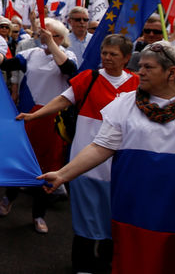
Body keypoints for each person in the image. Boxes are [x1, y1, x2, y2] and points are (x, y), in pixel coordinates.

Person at [40, 41, 175, 273]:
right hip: (137, 205)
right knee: (138, 261)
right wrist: (63, 174)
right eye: (140, 65)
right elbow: (99, 147)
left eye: (148, 67)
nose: (140, 71)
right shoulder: (125, 104)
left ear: (171, 72)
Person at [16, 34, 138, 271]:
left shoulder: (136, 85)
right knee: (85, 216)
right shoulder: (89, 78)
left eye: (114, 54)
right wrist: (34, 115)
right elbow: (63, 100)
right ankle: (82, 265)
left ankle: (106, 263)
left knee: (113, 219)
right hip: (85, 162)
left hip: (120, 166)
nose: (107, 58)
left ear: (126, 58)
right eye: (105, 53)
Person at [0, 18, 78, 233]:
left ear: (60, 37)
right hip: (28, 115)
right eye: (43, 34)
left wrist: (52, 43)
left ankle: (39, 214)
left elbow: (69, 70)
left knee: (48, 167)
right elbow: (6, 63)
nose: (44, 37)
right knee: (20, 158)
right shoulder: (31, 54)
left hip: (53, 119)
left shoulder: (68, 55)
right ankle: (9, 196)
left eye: (51, 34)